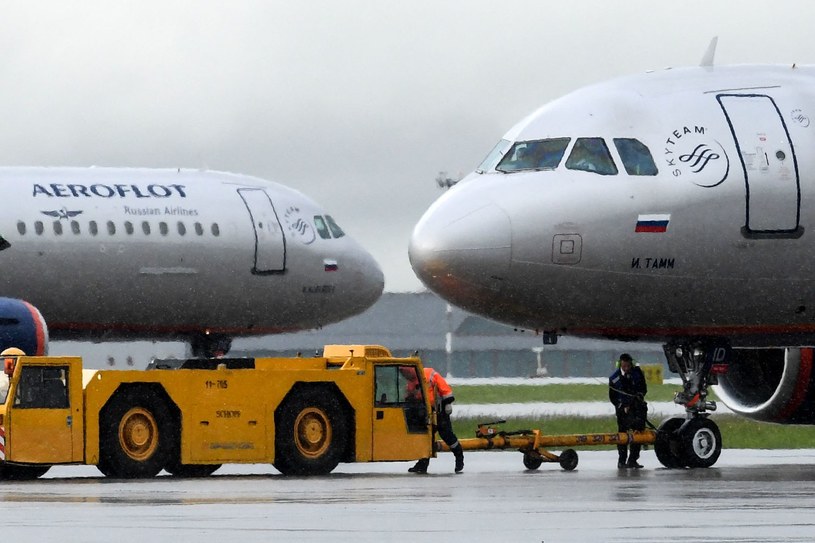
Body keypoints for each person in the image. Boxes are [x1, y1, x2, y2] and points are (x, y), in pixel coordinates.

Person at [408, 366, 464, 474]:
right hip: (425, 412)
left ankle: (459, 457)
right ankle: (422, 464)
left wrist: (447, 403)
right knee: (425, 439)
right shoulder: (410, 381)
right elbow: (409, 397)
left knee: (447, 435)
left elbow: (445, 389)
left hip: (439, 411)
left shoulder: (429, 373)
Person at [609, 353, 648, 469]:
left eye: (628, 366)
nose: (626, 368)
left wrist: (639, 396)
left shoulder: (637, 373)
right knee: (622, 434)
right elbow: (613, 397)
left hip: (637, 408)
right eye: (624, 366)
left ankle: (633, 460)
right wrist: (622, 405)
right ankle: (621, 461)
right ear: (620, 364)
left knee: (638, 433)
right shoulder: (614, 378)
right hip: (622, 411)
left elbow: (643, 389)